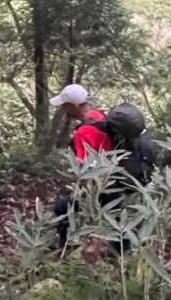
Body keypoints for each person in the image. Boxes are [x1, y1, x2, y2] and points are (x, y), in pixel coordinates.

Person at [49, 84, 156, 248]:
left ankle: (65, 247)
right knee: (117, 223)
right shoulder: (100, 116)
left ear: (73, 105)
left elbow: (86, 168)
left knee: (62, 208)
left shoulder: (84, 131)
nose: (63, 110)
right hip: (118, 177)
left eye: (64, 105)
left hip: (104, 184)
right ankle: (123, 254)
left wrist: (83, 193)